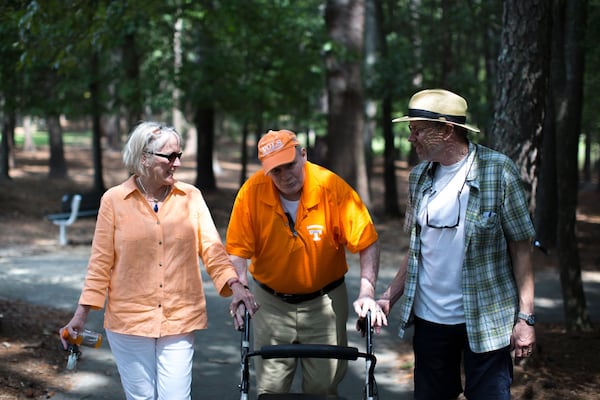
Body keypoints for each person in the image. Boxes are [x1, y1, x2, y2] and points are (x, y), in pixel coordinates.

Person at [59, 121, 257, 400]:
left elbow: (212, 250)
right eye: (170, 156)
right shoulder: (114, 201)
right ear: (144, 157)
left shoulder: (191, 197)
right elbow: (100, 263)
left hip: (179, 316)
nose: (176, 163)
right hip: (129, 319)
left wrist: (235, 286)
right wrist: (81, 315)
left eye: (179, 156)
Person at [375, 89, 536, 400]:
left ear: (447, 130)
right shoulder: (419, 177)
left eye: (418, 130)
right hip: (430, 321)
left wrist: (525, 318)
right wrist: (388, 297)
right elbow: (416, 250)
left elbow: (521, 247)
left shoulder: (498, 171)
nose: (412, 139)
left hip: (486, 318)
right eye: (411, 130)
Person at [225, 129, 386, 397]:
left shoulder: (332, 189)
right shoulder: (251, 193)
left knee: (323, 388)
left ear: (303, 155)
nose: (285, 175)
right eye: (276, 171)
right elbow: (238, 250)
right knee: (272, 389)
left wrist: (367, 292)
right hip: (271, 303)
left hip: (325, 302)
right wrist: (240, 288)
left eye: (290, 165)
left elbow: (367, 241)